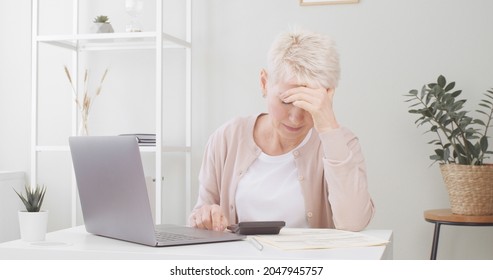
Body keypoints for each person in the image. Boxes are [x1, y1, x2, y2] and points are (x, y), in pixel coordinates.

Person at [189, 28, 374, 232]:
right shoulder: (227, 138)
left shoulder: (342, 143)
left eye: (308, 104)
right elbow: (202, 214)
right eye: (286, 101)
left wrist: (329, 127)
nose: (296, 118)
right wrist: (205, 216)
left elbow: (354, 223)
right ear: (264, 83)